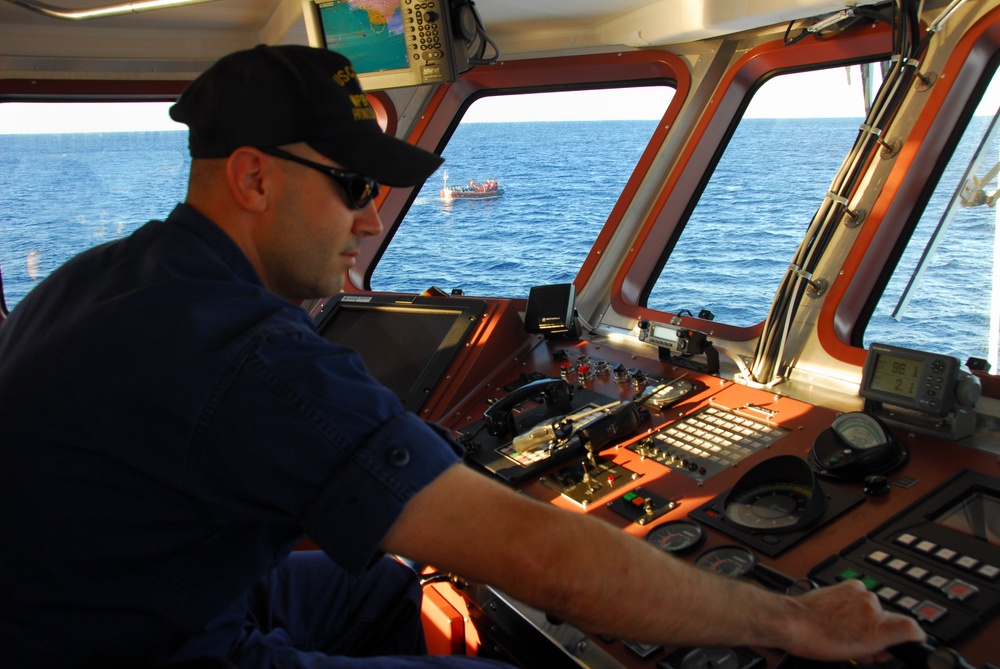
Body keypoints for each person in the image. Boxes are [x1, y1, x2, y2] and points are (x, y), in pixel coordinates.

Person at [0, 44, 925, 668]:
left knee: (389, 585)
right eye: (354, 184)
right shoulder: (249, 353)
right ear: (252, 177)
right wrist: (791, 617)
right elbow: (543, 560)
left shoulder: (97, 278)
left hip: (96, 609)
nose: (371, 218)